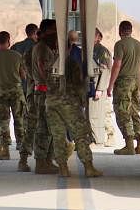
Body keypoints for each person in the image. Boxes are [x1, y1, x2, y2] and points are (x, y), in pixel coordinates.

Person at [43, 30, 102, 178]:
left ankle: (63, 168)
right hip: (68, 103)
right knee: (80, 134)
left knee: (58, 136)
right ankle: (88, 167)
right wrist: (81, 100)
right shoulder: (70, 62)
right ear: (69, 47)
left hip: (51, 103)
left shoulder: (49, 63)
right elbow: (78, 84)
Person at [106, 20, 140, 155]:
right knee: (135, 112)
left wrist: (110, 86)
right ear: (131, 30)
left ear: (120, 31)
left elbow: (117, 65)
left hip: (124, 83)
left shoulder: (120, 45)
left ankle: (129, 145)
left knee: (123, 113)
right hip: (136, 82)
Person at [0, 31, 28, 164]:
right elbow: (23, 75)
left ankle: (4, 151)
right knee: (19, 120)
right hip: (16, 91)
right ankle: (22, 150)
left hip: (0, 92)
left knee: (3, 122)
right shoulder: (17, 55)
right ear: (8, 40)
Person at [27, 19, 59, 174]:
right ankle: (41, 161)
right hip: (44, 91)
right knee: (44, 128)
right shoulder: (42, 48)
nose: (56, 33)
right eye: (53, 30)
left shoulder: (47, 47)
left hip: (47, 91)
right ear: (46, 31)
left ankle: (47, 160)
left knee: (51, 127)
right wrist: (52, 85)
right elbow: (42, 67)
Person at [89, 28, 117, 148]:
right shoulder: (89, 49)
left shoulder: (102, 51)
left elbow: (105, 70)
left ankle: (98, 140)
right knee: (92, 114)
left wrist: (100, 89)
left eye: (93, 35)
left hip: (98, 87)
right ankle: (93, 138)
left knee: (98, 114)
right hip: (91, 86)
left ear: (99, 37)